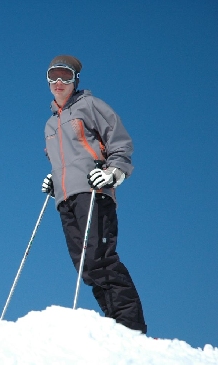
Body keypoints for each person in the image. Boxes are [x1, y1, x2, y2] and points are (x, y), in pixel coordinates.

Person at [41, 55, 147, 333]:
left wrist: (116, 171)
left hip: (93, 189)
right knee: (86, 267)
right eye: (54, 76)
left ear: (76, 80)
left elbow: (119, 140)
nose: (59, 82)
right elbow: (64, 158)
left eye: (66, 76)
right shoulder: (51, 124)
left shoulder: (90, 105)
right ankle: (117, 326)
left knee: (101, 258)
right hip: (65, 199)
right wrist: (55, 178)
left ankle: (131, 327)